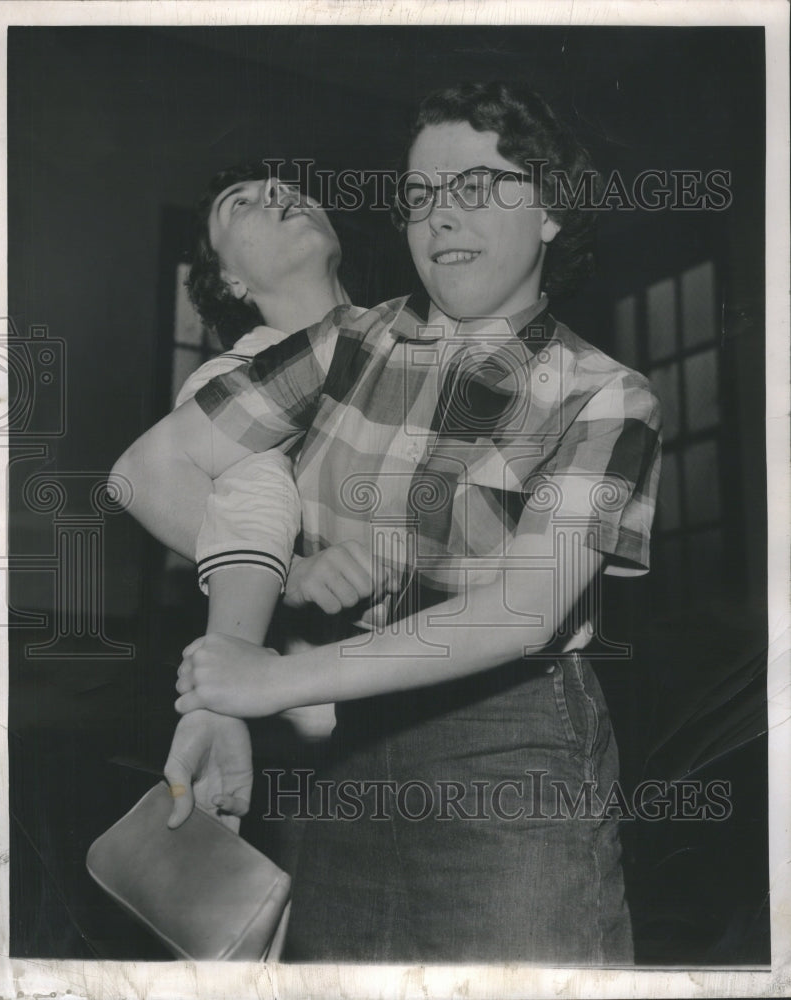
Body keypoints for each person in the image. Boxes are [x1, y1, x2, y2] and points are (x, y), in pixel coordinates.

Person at [113, 80, 661, 963]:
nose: (441, 217)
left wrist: (273, 681)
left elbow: (523, 610)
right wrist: (291, 575)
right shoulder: (347, 341)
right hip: (348, 753)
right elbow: (149, 470)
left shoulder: (605, 395)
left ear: (551, 207)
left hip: (511, 748)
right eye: (420, 197)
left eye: (475, 187)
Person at [144, 162, 379, 831]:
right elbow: (242, 494)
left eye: (282, 186)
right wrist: (299, 572)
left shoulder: (414, 337)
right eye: (239, 204)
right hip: (320, 731)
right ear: (229, 281)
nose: (277, 193)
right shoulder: (233, 382)